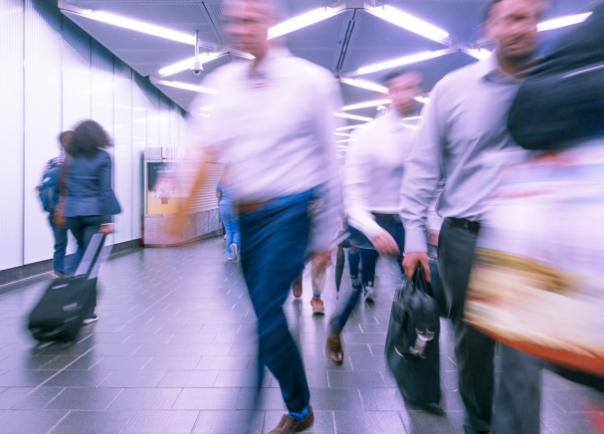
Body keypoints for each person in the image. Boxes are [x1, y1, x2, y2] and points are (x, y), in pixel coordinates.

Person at [172, 0, 341, 432]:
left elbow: (329, 162)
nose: (241, 28)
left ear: (273, 23)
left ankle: (248, 419)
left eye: (251, 18)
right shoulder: (224, 84)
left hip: (290, 211)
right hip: (248, 218)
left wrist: (326, 236)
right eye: (234, 20)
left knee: (266, 313)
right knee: (264, 316)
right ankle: (300, 408)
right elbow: (202, 148)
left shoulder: (310, 82)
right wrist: (180, 208)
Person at [401, 0, 545, 433]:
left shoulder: (553, 82)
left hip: (533, 242)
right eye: (516, 17)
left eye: (536, 18)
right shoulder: (454, 89)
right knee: (473, 350)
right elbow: (424, 165)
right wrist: (412, 234)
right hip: (466, 238)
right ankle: (478, 427)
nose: (527, 27)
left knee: (525, 354)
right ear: (488, 28)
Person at [326, 70, 422, 365]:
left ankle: (411, 342)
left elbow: (422, 184)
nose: (407, 94)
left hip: (403, 222)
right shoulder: (365, 136)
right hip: (369, 224)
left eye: (413, 88)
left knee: (413, 283)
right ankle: (335, 329)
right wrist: (372, 229)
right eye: (400, 88)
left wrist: (429, 223)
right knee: (360, 284)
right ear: (386, 94)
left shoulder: (415, 136)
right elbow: (353, 192)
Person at [56, 120, 121, 325]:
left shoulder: (70, 157)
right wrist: (107, 220)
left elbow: (63, 186)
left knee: (81, 253)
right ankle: (85, 310)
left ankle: (70, 293)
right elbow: (104, 190)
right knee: (91, 262)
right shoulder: (103, 157)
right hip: (94, 216)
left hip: (73, 215)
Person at [38, 131, 72, 277]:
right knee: (82, 243)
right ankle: (77, 272)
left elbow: (41, 187)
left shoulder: (50, 163)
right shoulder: (76, 162)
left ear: (59, 145)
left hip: (55, 212)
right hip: (74, 210)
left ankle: (59, 273)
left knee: (59, 244)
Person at [216, 176, 240, 262]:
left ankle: (229, 254)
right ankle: (236, 244)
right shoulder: (238, 179)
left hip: (223, 206)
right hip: (234, 206)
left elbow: (217, 195)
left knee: (228, 231)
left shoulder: (221, 180)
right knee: (236, 230)